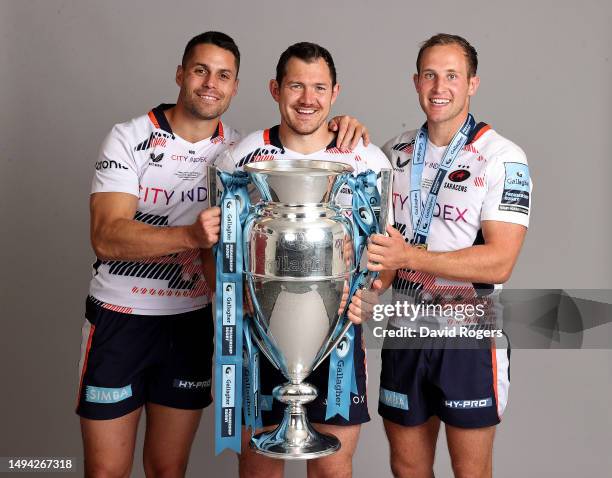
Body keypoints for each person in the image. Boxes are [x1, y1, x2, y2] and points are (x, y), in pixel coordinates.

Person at [76, 31, 369, 478]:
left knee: (168, 468)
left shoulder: (235, 150)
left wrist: (341, 124)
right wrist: (194, 239)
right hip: (123, 313)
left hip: (191, 319)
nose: (211, 83)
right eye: (200, 70)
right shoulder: (134, 138)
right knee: (107, 470)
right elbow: (106, 236)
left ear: (236, 87)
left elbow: (371, 248)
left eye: (224, 75)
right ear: (180, 73)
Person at [215, 41, 389, 478]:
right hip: (260, 334)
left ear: (335, 92)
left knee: (332, 467)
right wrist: (235, 298)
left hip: (338, 336)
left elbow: (387, 250)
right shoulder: (242, 156)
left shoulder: (364, 157)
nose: (307, 99)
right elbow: (213, 247)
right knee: (259, 466)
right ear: (275, 89)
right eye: (296, 86)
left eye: (318, 87)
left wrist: (371, 294)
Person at [367, 34, 531, 478]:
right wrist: (373, 287)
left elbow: (499, 261)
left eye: (452, 76)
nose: (439, 87)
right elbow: (382, 252)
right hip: (405, 331)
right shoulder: (392, 153)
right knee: (406, 468)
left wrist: (411, 257)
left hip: (468, 339)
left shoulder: (502, 157)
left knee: (470, 472)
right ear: (415, 81)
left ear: (473, 83)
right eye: (430, 75)